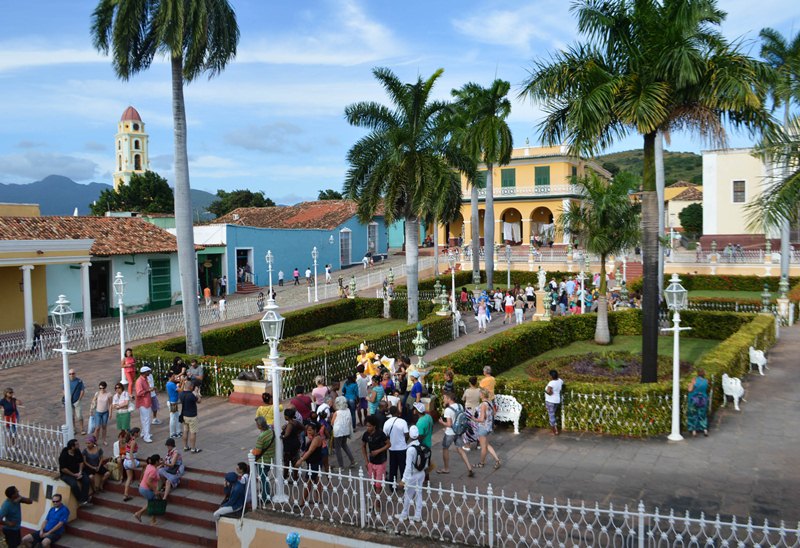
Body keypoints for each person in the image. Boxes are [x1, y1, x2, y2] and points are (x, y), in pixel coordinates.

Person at [438, 392, 473, 476]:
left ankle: (446, 468)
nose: (444, 399)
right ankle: (469, 467)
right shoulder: (460, 406)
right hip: (459, 432)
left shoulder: (448, 410)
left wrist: (442, 422)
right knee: (460, 449)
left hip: (450, 433)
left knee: (445, 448)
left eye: (444, 398)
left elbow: (449, 424)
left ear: (449, 399)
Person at [396, 425, 426, 521]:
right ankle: (417, 516)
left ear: (409, 435)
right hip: (421, 473)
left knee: (408, 495)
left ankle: (404, 514)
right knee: (419, 494)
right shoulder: (422, 446)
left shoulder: (410, 449)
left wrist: (403, 480)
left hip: (413, 475)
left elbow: (408, 467)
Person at [295, 422, 324, 506]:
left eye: (310, 430)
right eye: (307, 430)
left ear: (315, 430)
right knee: (317, 481)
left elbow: (310, 451)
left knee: (308, 482)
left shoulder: (316, 439)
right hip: (315, 462)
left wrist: (301, 460)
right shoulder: (314, 438)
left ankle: (302, 502)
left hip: (314, 463)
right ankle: (318, 499)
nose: (308, 432)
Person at [361, 415, 390, 493]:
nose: (367, 428)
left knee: (378, 484)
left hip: (381, 462)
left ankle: (377, 502)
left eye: (369, 426)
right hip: (371, 462)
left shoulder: (380, 433)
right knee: (373, 482)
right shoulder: (366, 435)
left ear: (374, 426)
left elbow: (388, 444)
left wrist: (378, 451)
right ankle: (377, 499)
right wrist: (366, 461)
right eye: (366, 426)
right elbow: (363, 446)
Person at [473, 389, 501, 470]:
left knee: (483, 447)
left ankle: (481, 463)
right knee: (487, 445)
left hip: (483, 427)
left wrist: (473, 418)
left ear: (482, 395)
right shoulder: (490, 403)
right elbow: (494, 413)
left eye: (480, 394)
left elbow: (481, 419)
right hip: (489, 427)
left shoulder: (483, 405)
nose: (479, 395)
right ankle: (497, 460)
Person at [58, 439, 91, 505]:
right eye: (77, 444)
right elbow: (63, 469)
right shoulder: (64, 455)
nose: (78, 445)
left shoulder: (77, 451)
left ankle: (84, 499)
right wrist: (73, 475)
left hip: (77, 471)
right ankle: (81, 500)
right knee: (73, 484)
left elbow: (81, 462)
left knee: (86, 480)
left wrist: (80, 472)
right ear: (72, 447)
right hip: (67, 474)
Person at [251, 416, 275, 503]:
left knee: (264, 480)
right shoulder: (271, 431)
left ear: (259, 426)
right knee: (265, 478)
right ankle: (266, 495)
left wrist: (252, 451)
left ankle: (266, 497)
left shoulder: (261, 437)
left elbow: (257, 452)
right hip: (270, 458)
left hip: (263, 461)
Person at [133, 454, 162, 524]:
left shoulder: (149, 466)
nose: (160, 461)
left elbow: (154, 469)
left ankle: (141, 515)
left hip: (142, 487)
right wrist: (155, 491)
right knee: (154, 503)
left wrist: (162, 464)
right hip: (146, 489)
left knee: (152, 503)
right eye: (159, 460)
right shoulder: (153, 471)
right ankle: (150, 520)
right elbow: (148, 482)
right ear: (156, 462)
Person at [180, 379, 201, 453]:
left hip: (184, 415)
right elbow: (199, 401)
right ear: (191, 387)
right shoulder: (191, 395)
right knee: (193, 432)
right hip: (192, 416)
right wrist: (197, 393)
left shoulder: (181, 394)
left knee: (185, 431)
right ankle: (193, 448)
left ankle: (185, 446)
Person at [687, 369, 710, 437]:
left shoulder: (694, 380)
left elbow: (690, 389)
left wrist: (690, 384)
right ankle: (704, 429)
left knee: (693, 414)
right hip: (703, 399)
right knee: (702, 414)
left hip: (694, 399)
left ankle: (694, 430)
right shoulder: (706, 381)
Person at [281, 408, 303, 475]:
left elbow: (286, 435)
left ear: (287, 416)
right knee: (295, 461)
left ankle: (285, 476)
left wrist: (282, 437)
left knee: (287, 462)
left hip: (289, 446)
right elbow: (303, 428)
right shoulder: (296, 422)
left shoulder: (290, 425)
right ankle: (295, 476)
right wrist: (296, 433)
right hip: (296, 443)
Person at [134, 366, 153, 443]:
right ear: (145, 373)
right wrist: (148, 390)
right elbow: (139, 393)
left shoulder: (144, 379)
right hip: (143, 402)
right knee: (146, 419)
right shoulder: (139, 381)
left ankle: (143, 433)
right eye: (148, 371)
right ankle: (146, 436)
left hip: (146, 401)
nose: (149, 373)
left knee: (144, 419)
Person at [462, 376, 481, 449]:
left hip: (468, 411)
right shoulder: (479, 390)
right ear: (476, 382)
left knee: (468, 427)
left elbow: (463, 398)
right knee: (477, 427)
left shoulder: (467, 391)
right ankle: (478, 444)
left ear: (469, 383)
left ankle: (468, 445)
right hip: (476, 410)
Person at [122, 428, 140, 502]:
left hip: (125, 461)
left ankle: (125, 494)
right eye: (138, 432)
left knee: (129, 478)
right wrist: (133, 462)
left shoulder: (128, 440)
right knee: (146, 465)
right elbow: (131, 452)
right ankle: (141, 481)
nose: (139, 434)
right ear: (135, 433)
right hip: (130, 461)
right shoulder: (133, 441)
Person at [545, 369, 564, 435]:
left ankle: (555, 431)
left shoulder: (551, 383)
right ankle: (554, 429)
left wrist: (549, 393)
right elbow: (561, 385)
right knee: (553, 414)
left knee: (551, 415)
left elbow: (548, 391)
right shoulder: (560, 381)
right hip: (557, 400)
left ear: (551, 376)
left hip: (550, 401)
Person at [67, 369, 86, 435]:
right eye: (70, 374)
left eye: (73, 373)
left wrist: (79, 399)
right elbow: (64, 390)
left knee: (79, 416)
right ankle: (74, 429)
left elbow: (82, 390)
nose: (71, 375)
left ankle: (82, 429)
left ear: (75, 374)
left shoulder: (79, 381)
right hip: (69, 402)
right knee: (71, 416)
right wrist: (67, 398)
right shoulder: (66, 381)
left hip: (77, 401)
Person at [165, 372, 182, 439]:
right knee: (173, 418)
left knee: (177, 417)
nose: (174, 378)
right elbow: (180, 390)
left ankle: (178, 431)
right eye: (173, 376)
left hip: (173, 402)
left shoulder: (169, 383)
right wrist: (182, 382)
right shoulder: (171, 384)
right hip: (173, 402)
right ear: (170, 377)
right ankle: (172, 433)